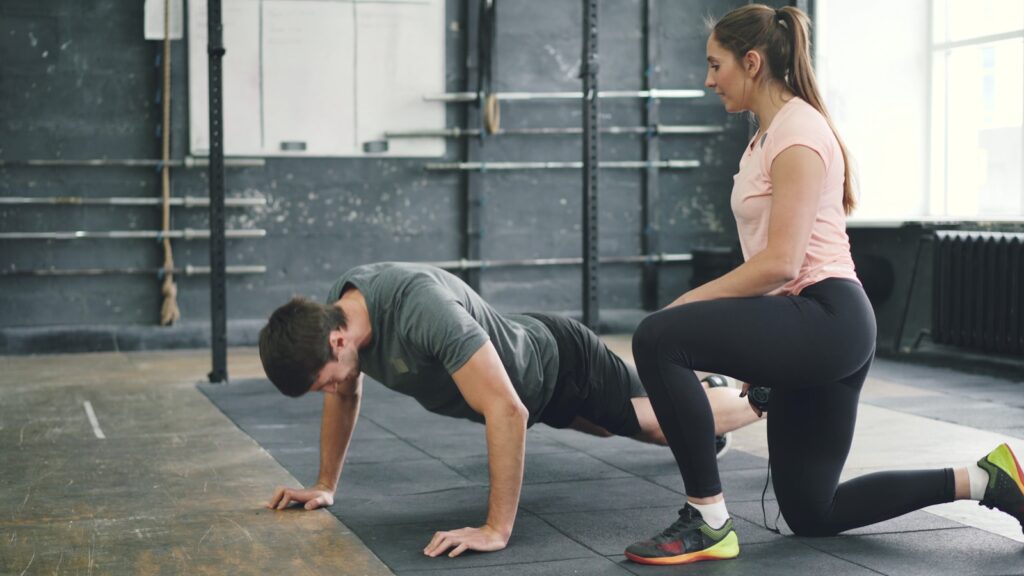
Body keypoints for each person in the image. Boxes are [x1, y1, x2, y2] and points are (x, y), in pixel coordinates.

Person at [623, 4, 1024, 566]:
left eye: (716, 65)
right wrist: (762, 356)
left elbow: (783, 263)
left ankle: (707, 518)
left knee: (658, 336)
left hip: (828, 319)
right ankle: (986, 479)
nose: (709, 79)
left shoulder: (798, 133)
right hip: (809, 324)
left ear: (752, 62)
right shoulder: (767, 136)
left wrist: (688, 302)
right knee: (813, 511)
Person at [258, 262, 761, 559]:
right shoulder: (338, 309)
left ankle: (766, 394)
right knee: (618, 422)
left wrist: (495, 529)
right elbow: (345, 394)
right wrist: (324, 485)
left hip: (562, 365)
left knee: (653, 424)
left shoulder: (419, 309)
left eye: (325, 380)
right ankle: (707, 393)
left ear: (337, 340)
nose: (333, 389)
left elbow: (507, 410)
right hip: (533, 369)